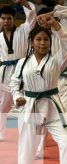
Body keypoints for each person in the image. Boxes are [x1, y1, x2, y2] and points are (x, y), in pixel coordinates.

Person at [10, 16, 67, 164]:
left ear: (50, 42)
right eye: (38, 39)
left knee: (66, 141)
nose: (42, 43)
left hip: (53, 107)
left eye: (46, 39)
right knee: (27, 143)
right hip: (31, 106)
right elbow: (14, 83)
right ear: (32, 42)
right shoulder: (22, 62)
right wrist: (18, 96)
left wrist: (55, 25)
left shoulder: (57, 60)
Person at [34, 5, 67, 160]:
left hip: (63, 80)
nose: (44, 23)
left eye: (46, 19)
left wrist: (51, 17)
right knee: (42, 116)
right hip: (44, 81)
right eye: (41, 21)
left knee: (66, 116)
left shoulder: (60, 29)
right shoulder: (37, 39)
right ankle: (39, 148)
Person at [0, 0, 36, 141]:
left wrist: (23, 2)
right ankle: (1, 134)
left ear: (13, 19)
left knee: (25, 105)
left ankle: (27, 134)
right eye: (3, 18)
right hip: (4, 74)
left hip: (22, 72)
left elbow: (32, 15)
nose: (6, 21)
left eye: (9, 18)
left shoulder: (23, 30)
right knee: (3, 106)